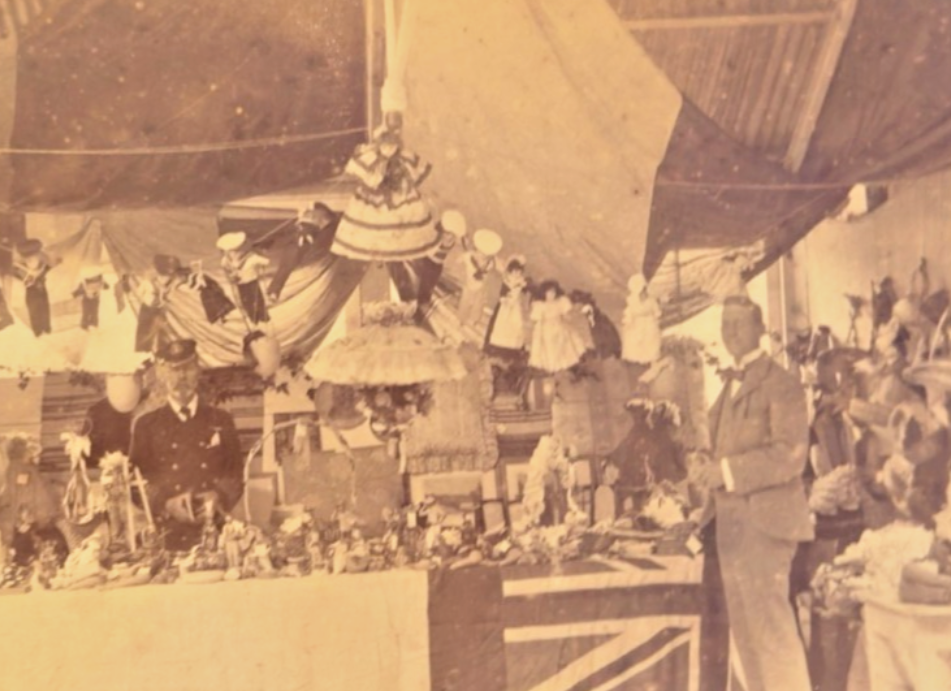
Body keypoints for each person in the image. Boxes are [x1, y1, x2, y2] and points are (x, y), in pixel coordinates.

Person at [693, 296, 813, 691]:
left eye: (739, 324)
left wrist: (725, 471)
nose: (730, 332)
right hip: (733, 531)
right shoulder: (729, 384)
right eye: (725, 324)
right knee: (749, 641)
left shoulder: (782, 383)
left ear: (759, 328)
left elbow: (790, 456)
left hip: (765, 529)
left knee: (772, 636)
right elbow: (722, 450)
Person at [129, 339, 244, 551]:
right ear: (161, 374)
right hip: (168, 536)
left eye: (188, 368)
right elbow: (136, 483)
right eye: (173, 370)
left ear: (198, 370)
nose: (181, 377)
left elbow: (236, 473)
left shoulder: (221, 420)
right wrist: (165, 504)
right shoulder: (146, 425)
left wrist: (219, 496)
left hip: (217, 532)